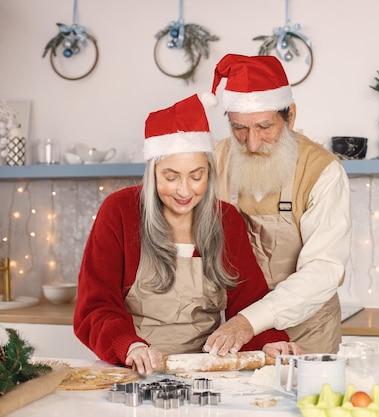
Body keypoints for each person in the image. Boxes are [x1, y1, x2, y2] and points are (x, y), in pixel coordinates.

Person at [74, 94, 300, 376]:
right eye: (171, 177)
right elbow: (95, 306)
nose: (184, 191)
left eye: (196, 177)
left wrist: (269, 342)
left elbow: (248, 300)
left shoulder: (226, 219)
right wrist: (129, 346)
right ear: (153, 172)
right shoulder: (119, 212)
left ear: (210, 172)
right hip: (131, 366)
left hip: (205, 369)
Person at [204, 54, 352, 355]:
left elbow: (323, 269)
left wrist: (250, 321)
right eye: (239, 129)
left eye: (264, 127)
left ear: (290, 116)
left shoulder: (322, 171)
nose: (252, 143)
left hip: (305, 334)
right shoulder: (213, 161)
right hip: (229, 331)